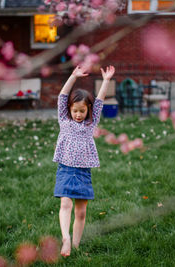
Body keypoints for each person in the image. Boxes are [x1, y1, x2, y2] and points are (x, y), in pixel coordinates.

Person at [53, 65, 115, 257]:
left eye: (82, 111)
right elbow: (62, 96)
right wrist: (73, 76)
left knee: (81, 212)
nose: (78, 115)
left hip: (83, 172)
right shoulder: (64, 120)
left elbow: (99, 102)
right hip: (65, 169)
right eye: (75, 111)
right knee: (66, 204)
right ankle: (66, 238)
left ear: (88, 111)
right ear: (69, 110)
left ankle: (76, 246)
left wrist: (105, 81)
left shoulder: (90, 123)